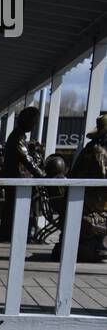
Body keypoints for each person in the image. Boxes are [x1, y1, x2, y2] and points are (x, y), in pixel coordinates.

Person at [0, 106, 44, 242]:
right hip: (16, 179)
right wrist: (42, 175)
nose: (34, 126)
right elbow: (27, 160)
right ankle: (20, 235)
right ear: (26, 121)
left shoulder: (18, 136)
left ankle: (8, 235)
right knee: (19, 208)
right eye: (33, 122)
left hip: (14, 179)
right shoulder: (18, 138)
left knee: (11, 207)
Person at [68, 113, 107, 263]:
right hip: (87, 197)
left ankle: (97, 244)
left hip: (86, 194)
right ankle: (95, 244)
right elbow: (103, 177)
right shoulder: (98, 151)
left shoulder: (93, 148)